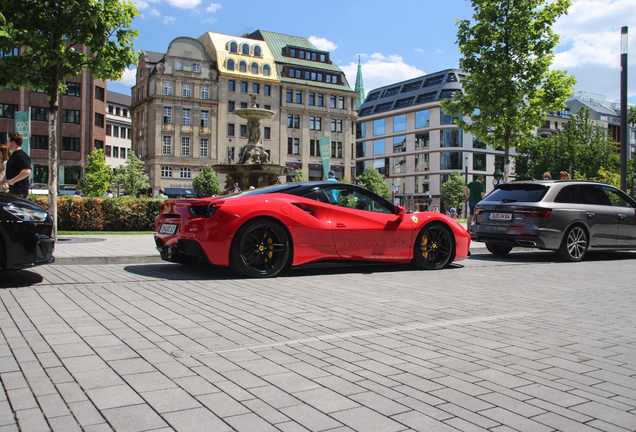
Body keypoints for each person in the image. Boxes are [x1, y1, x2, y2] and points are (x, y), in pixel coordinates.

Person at [5, 133, 31, 198]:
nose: (6, 144)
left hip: (19, 192)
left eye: (8, 142)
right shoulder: (13, 156)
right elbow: (8, 174)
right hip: (13, 191)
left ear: (13, 143)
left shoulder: (21, 156)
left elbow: (26, 171)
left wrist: (13, 181)